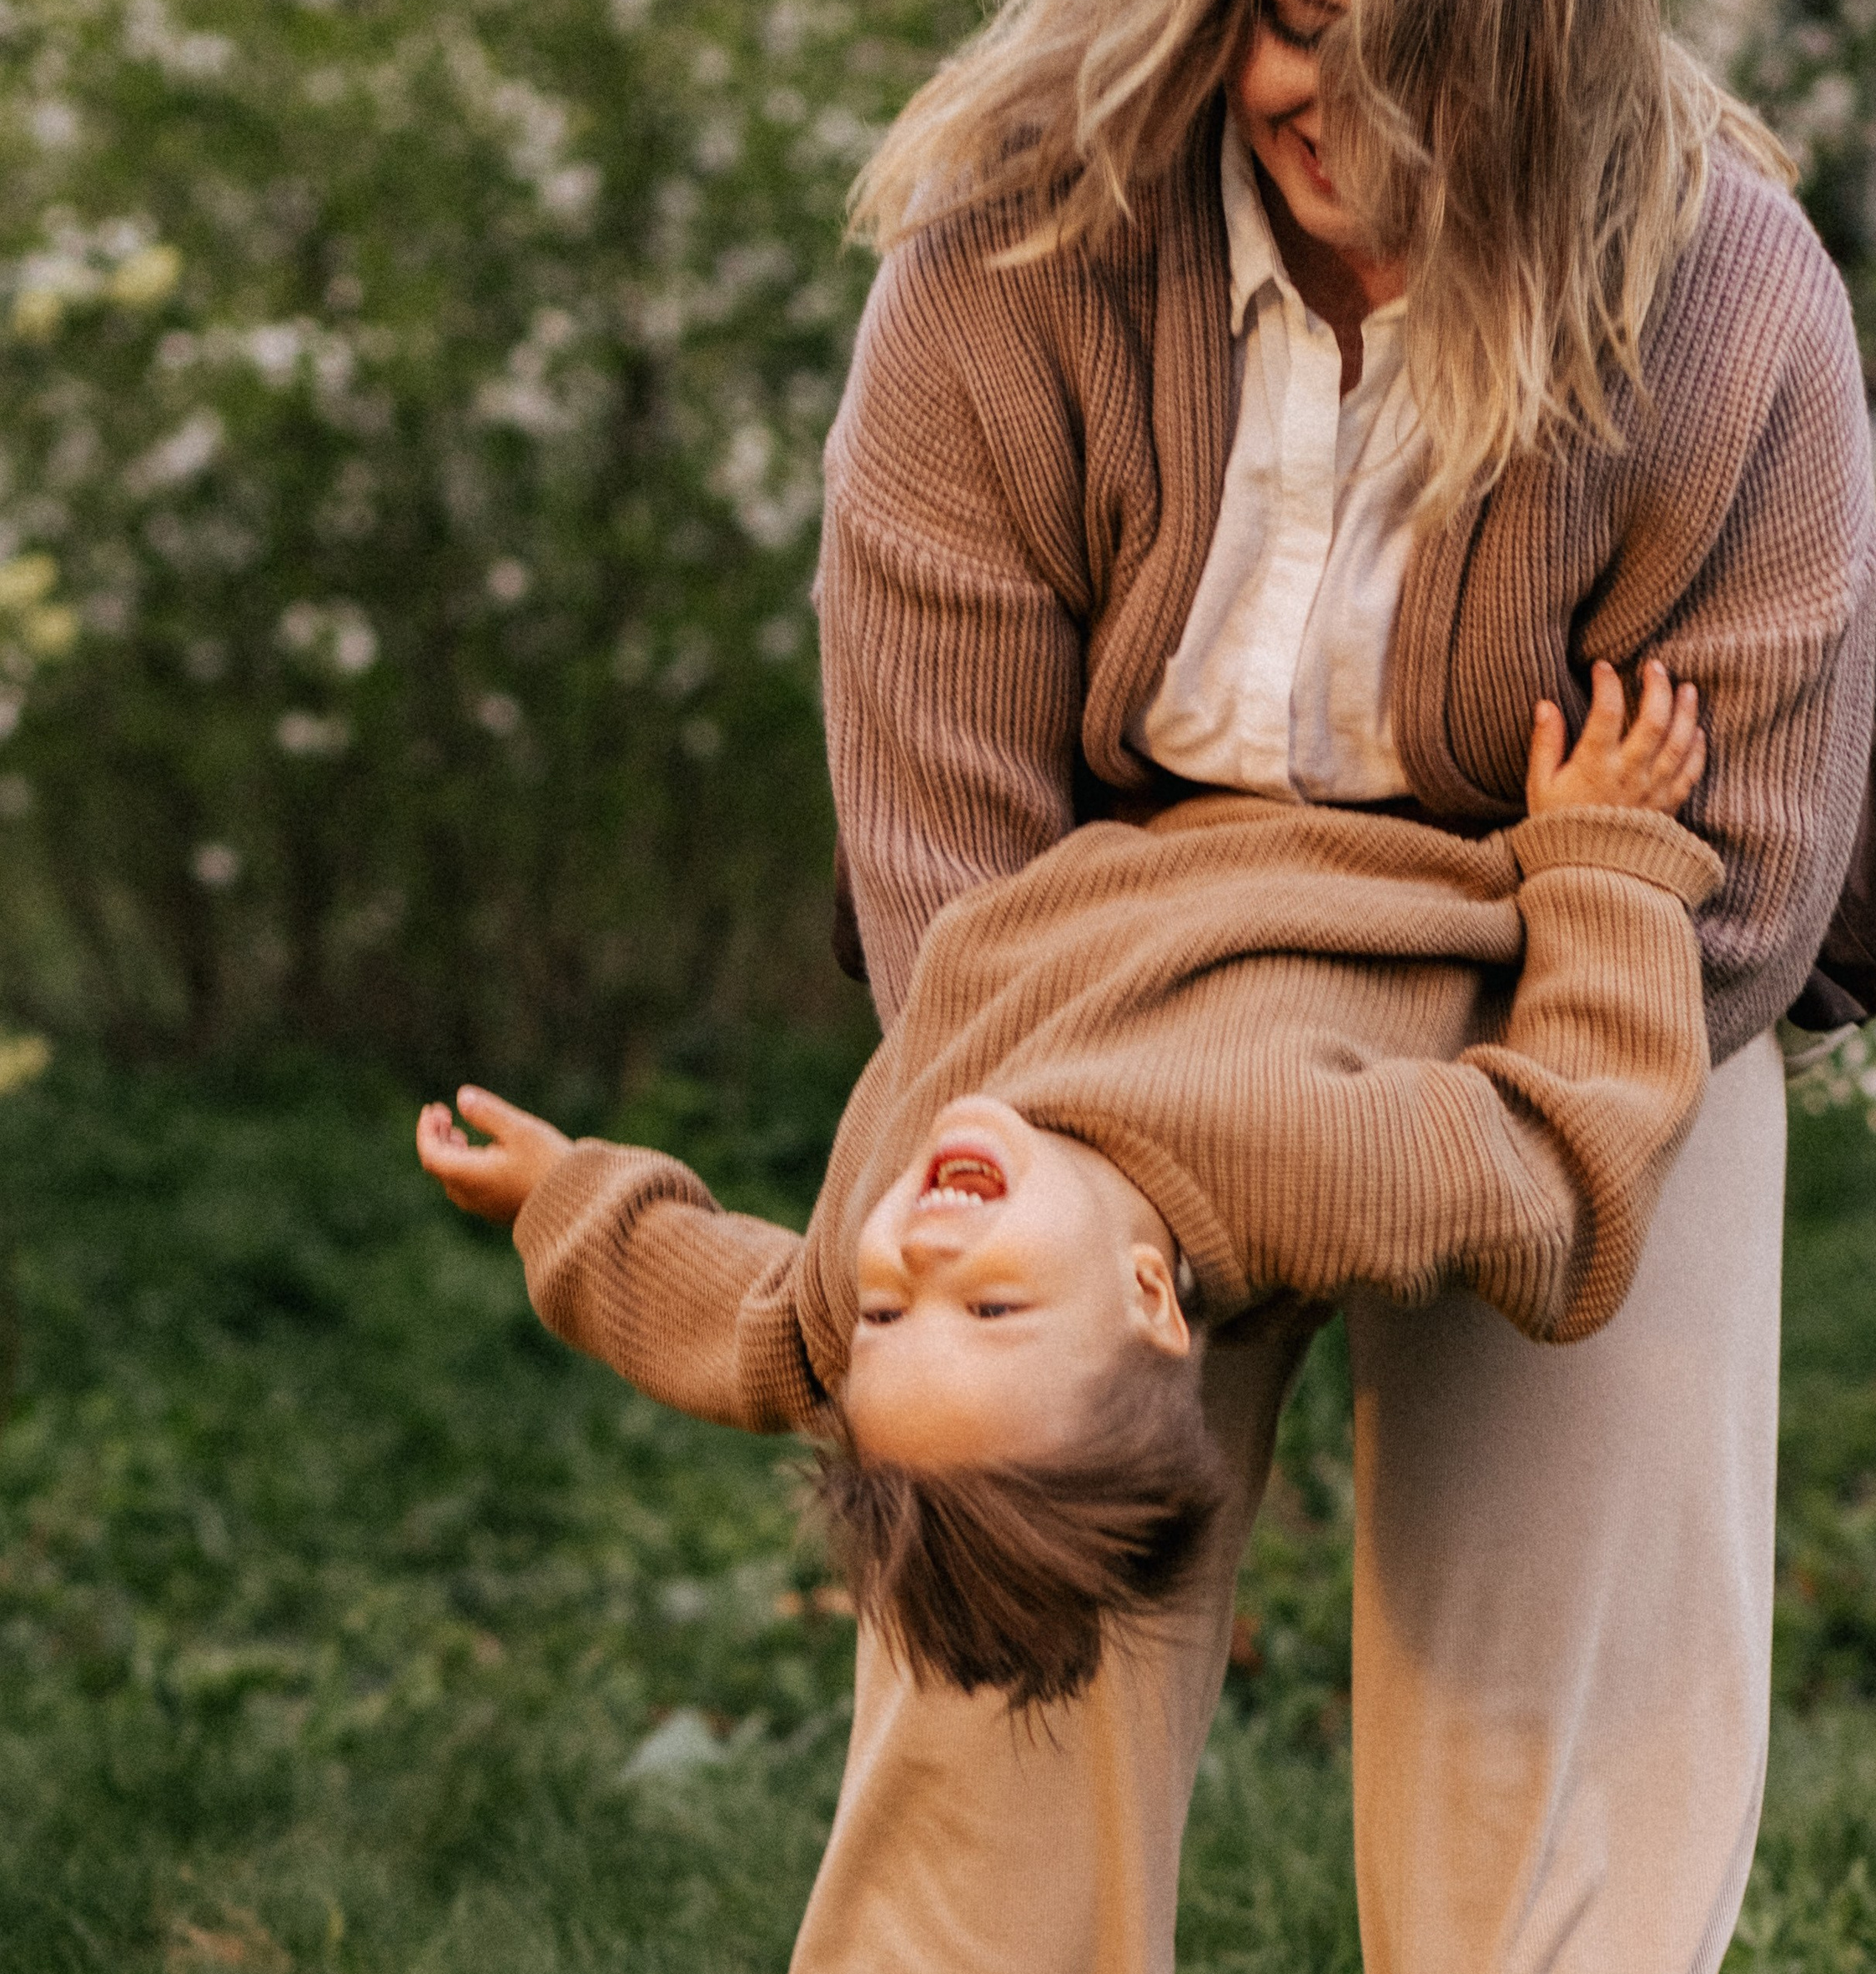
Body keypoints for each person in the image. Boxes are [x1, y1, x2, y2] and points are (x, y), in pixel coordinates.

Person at [761, 0, 1876, 1974]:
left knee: (1558, 1731)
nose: (1334, 118)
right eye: (1294, 25)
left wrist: (1424, 1138)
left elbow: (1730, 887)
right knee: (1001, 1631)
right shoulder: (1017, 258)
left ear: (1562, 61)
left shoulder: (1727, 296)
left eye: (1420, 69)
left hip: (1587, 978)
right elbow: (946, 857)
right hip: (1105, 982)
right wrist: (1183, 1145)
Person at [418, 660, 1717, 1707]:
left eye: (883, 1319)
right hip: (1402, 814)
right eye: (992, 1314)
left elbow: (745, 1333)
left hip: (1132, 786)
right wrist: (1604, 862)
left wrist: (562, 1197)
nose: (920, 1262)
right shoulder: (1315, 1175)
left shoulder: (894, 1220)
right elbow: (1567, 1196)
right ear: (1151, 1297)